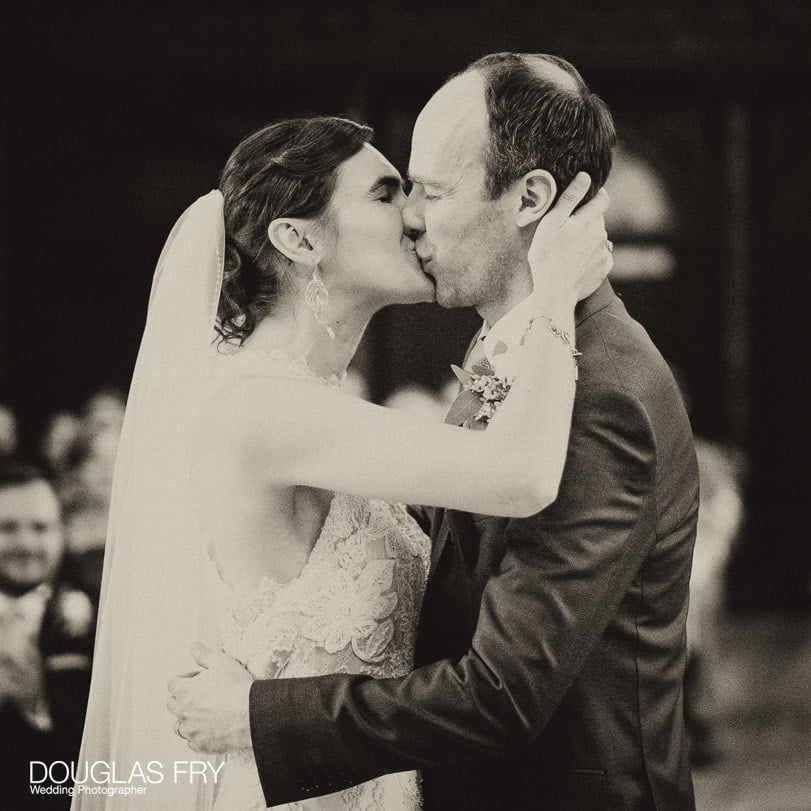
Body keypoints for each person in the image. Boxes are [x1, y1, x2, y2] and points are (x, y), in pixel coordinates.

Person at [169, 53, 700, 810]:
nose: (411, 216)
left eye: (428, 189)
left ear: (530, 198)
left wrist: (260, 717)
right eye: (393, 192)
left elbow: (505, 691)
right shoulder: (512, 351)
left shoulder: (595, 389)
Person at [77, 112, 611, 809]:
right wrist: (554, 293)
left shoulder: (309, 401)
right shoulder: (258, 409)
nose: (417, 215)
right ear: (298, 238)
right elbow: (519, 474)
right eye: (386, 194)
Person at [0, 458, 94, 809]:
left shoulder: (95, 618)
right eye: (7, 528)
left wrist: (36, 702)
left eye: (40, 527)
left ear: (62, 532)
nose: (24, 543)